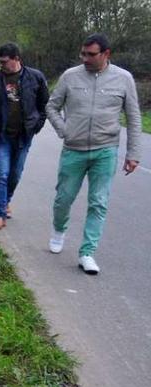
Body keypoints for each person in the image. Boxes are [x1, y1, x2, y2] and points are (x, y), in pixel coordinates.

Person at [46, 33, 141, 275]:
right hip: (74, 149)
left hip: (105, 150)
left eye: (91, 54)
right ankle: (59, 230)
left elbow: (133, 117)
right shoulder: (70, 76)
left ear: (106, 54)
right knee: (63, 198)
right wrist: (63, 130)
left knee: (98, 202)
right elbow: (52, 106)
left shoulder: (123, 79)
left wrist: (133, 153)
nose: (85, 58)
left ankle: (87, 252)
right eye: (83, 54)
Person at [0, 43, 49, 230]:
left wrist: (36, 126)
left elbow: (44, 105)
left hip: (24, 136)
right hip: (0, 136)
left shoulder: (36, 78)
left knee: (15, 174)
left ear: (17, 59)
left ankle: (6, 200)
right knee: (1, 174)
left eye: (4, 61)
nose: (1, 65)